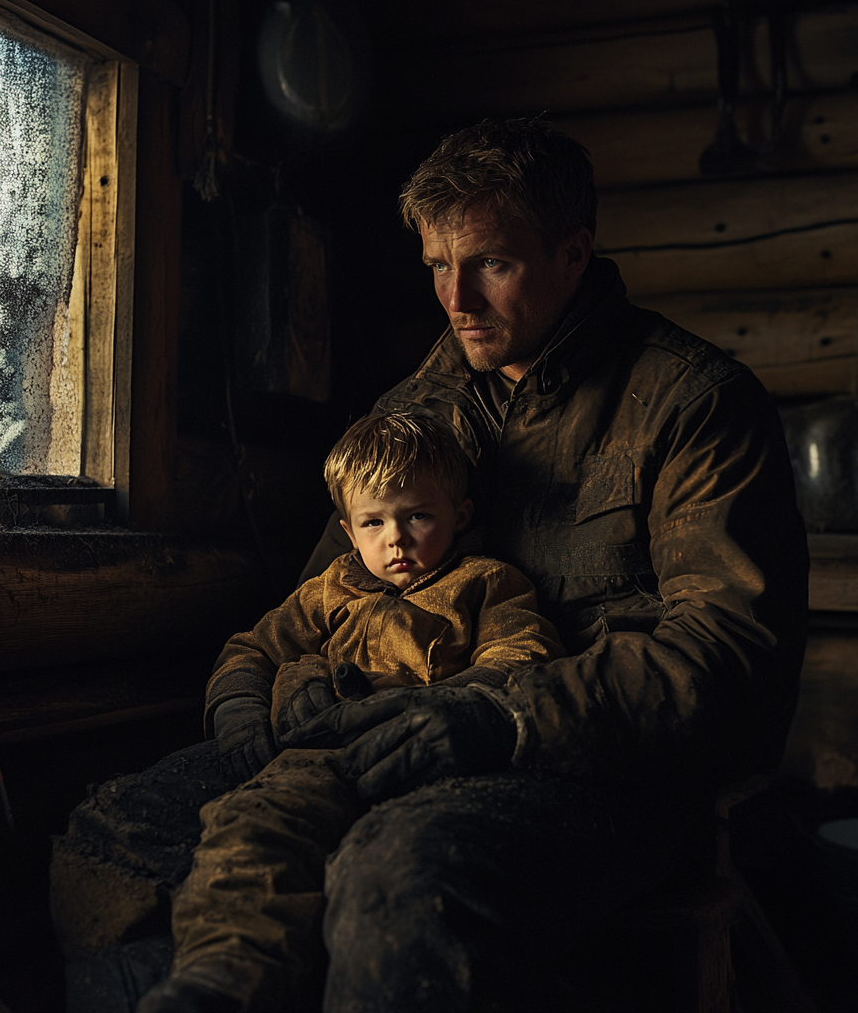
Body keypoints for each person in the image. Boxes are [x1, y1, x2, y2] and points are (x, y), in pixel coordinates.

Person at [52, 116, 808, 1013]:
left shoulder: (692, 406)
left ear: (574, 251)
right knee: (116, 840)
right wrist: (263, 699)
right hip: (376, 734)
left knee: (399, 880)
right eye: (437, 267)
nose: (457, 301)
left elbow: (734, 672)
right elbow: (319, 604)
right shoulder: (415, 412)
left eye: (490, 262)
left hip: (600, 770)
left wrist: (497, 716)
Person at [138, 412, 563, 1011]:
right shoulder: (330, 590)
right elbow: (254, 648)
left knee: (397, 870)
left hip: (428, 755)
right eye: (374, 522)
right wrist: (238, 708)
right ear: (348, 529)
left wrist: (449, 702)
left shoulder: (486, 583)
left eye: (418, 515)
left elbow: (523, 652)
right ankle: (224, 976)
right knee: (254, 829)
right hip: (321, 754)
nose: (397, 538)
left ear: (460, 515)